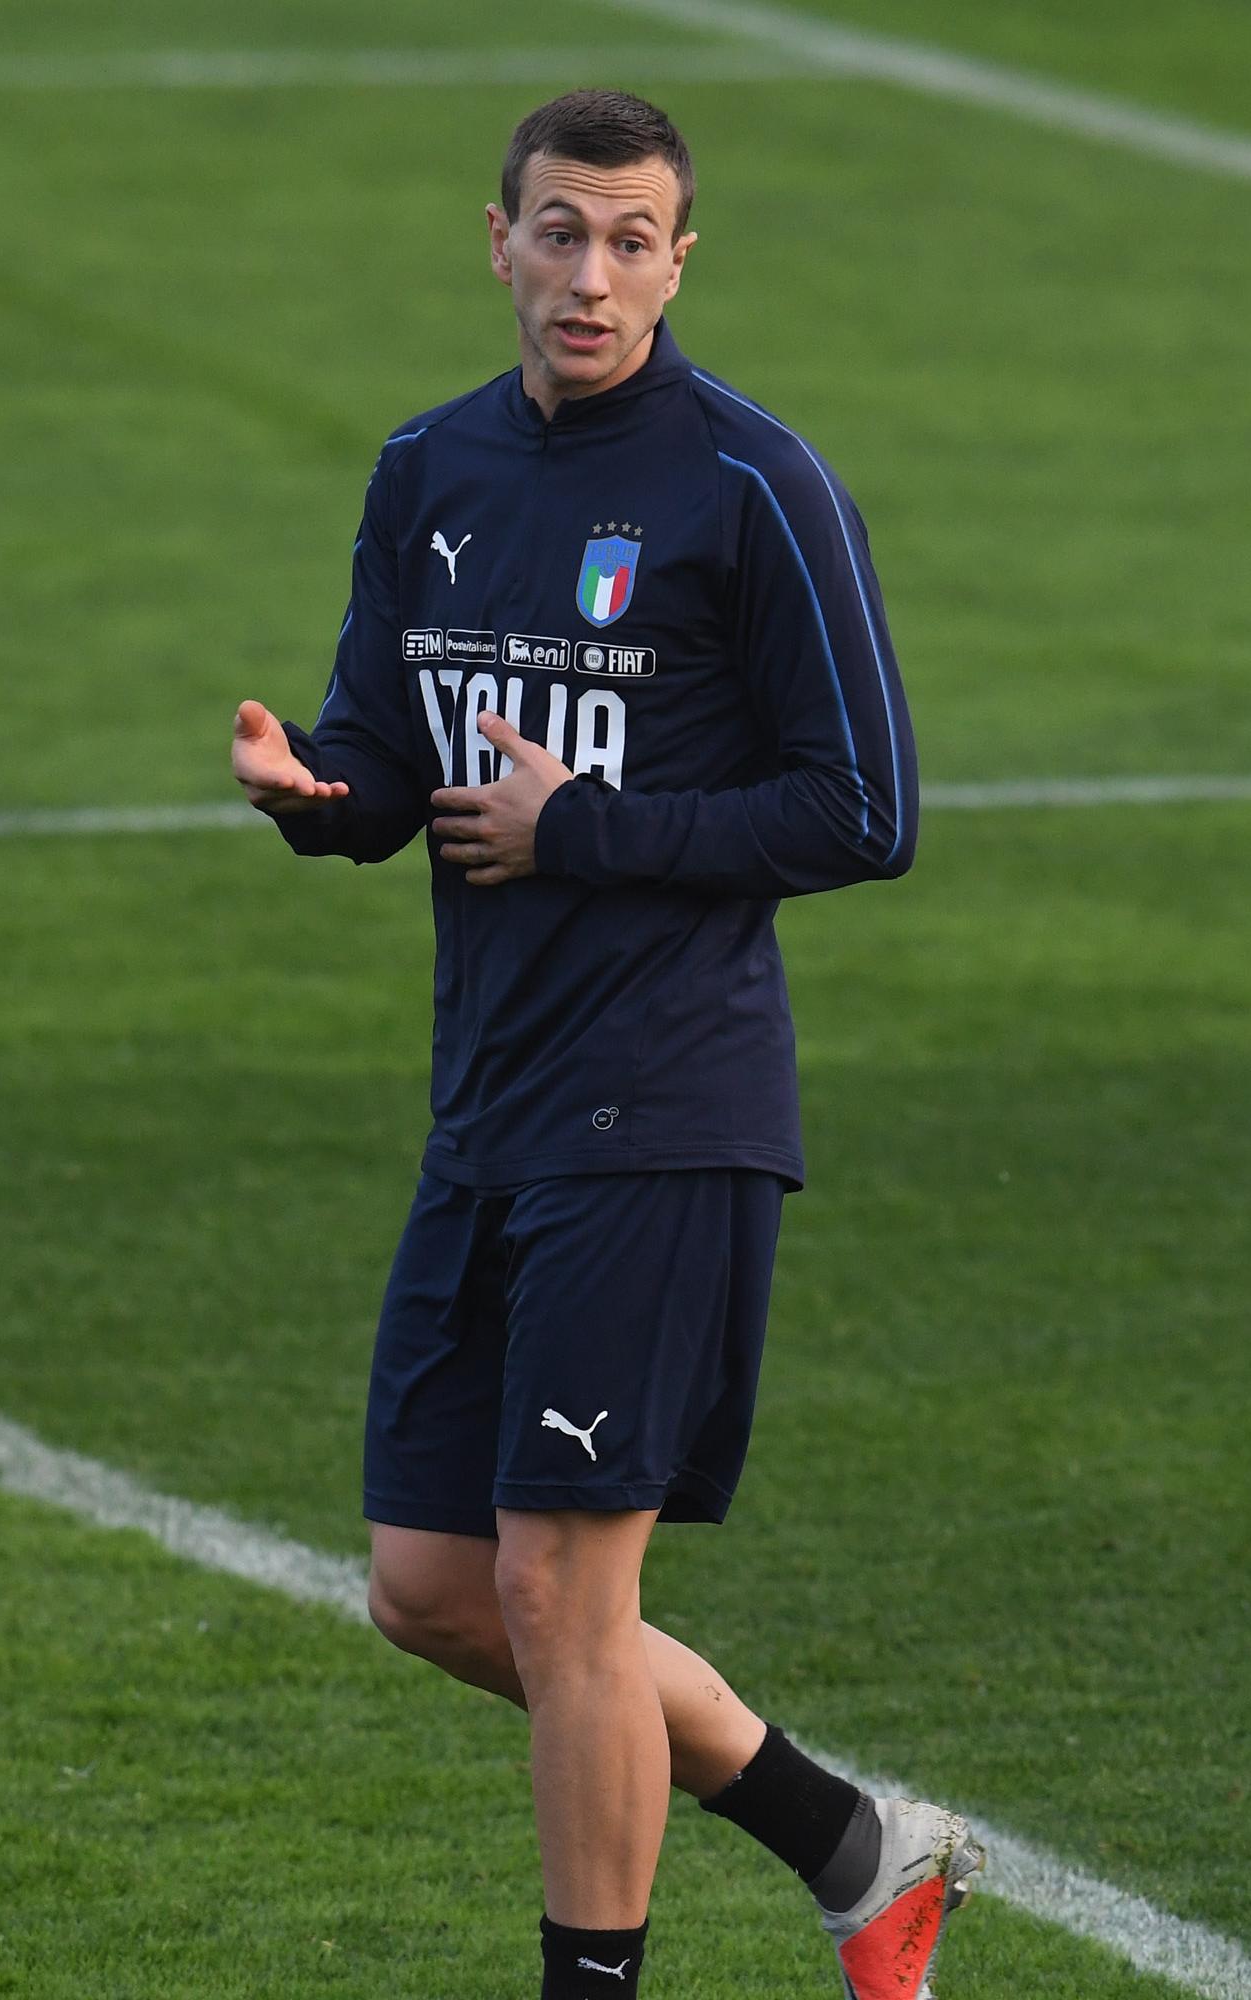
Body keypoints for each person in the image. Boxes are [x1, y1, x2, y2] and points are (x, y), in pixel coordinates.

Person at [227, 88, 976, 2000]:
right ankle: (855, 1845)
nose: (590, 276)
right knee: (432, 1589)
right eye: (559, 233)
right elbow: (390, 749)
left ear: (679, 263)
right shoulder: (432, 470)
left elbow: (867, 810)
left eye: (632, 242)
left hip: (667, 1106)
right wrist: (319, 794)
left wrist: (589, 832)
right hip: (490, 1105)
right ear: (497, 242)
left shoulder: (753, 486)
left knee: (564, 1590)